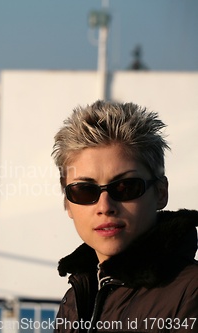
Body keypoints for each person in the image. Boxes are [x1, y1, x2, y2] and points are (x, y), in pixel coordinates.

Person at [51, 101, 198, 333]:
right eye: (85, 191)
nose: (105, 206)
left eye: (125, 187)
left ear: (160, 193)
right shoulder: (77, 298)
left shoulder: (191, 292)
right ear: (67, 203)